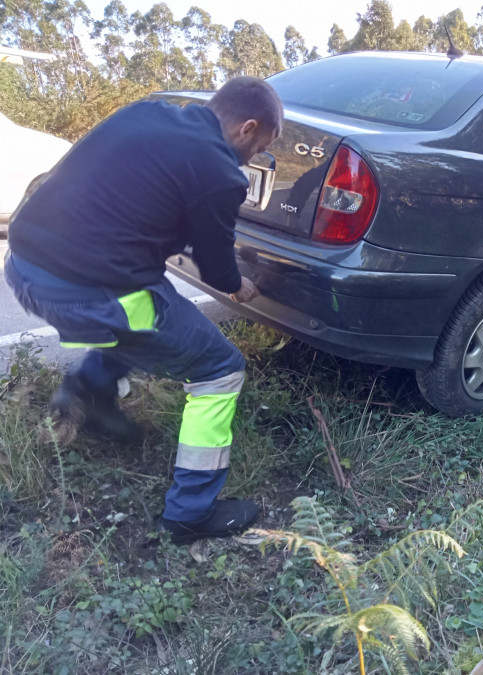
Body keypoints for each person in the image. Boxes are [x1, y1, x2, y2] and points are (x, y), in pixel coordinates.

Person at [4, 77, 283, 545]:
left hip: (24, 266)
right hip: (87, 294)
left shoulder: (142, 113)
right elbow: (217, 270)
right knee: (221, 369)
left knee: (152, 310)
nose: (252, 158)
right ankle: (190, 513)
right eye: (259, 147)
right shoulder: (220, 171)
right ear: (246, 127)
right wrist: (239, 287)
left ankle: (90, 390)